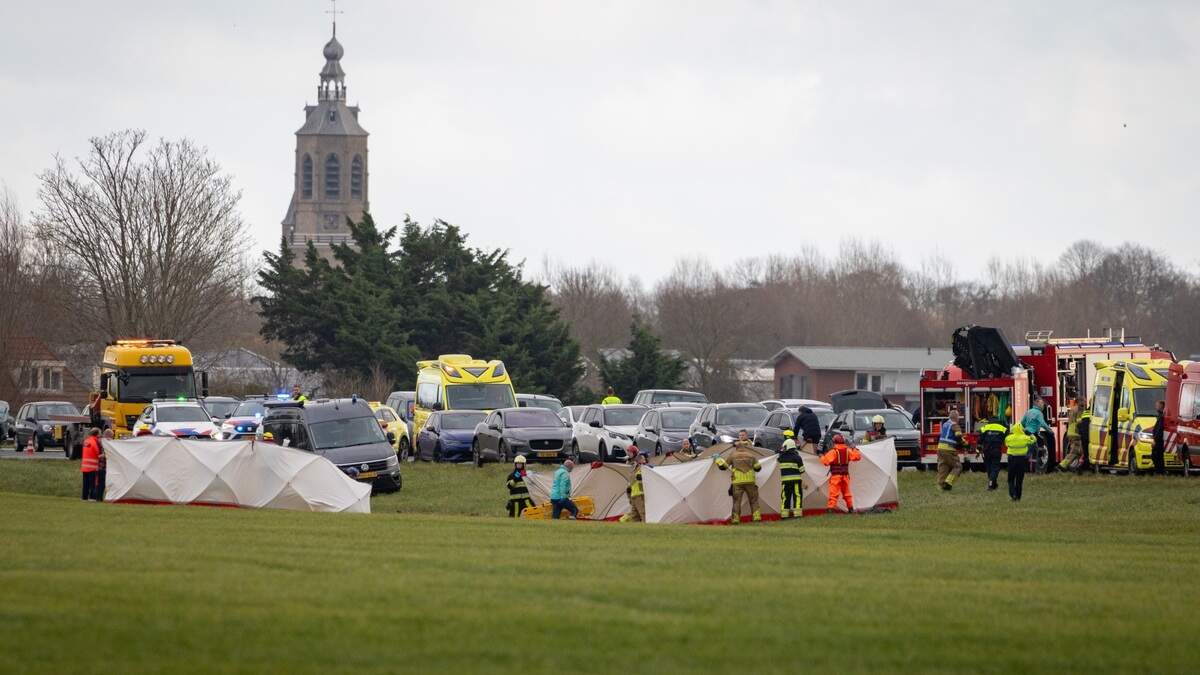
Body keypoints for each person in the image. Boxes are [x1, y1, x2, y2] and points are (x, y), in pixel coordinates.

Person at [715, 430, 762, 523]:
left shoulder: (733, 455)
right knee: (754, 500)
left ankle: (736, 519)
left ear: (736, 447)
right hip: (750, 481)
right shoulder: (751, 455)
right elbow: (758, 468)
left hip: (737, 482)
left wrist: (717, 459)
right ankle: (757, 517)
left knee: (737, 501)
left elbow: (724, 467)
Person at [821, 433, 862, 512]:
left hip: (836, 477)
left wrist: (820, 455)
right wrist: (854, 448)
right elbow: (857, 457)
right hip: (845, 476)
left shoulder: (833, 452)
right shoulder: (848, 450)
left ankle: (830, 509)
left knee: (834, 494)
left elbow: (825, 462)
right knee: (847, 493)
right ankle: (850, 509)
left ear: (834, 442)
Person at [778, 429, 805, 518]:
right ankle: (797, 514)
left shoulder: (781, 457)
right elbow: (802, 470)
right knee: (797, 496)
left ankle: (784, 515)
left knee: (785, 497)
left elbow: (779, 457)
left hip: (785, 482)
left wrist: (780, 452)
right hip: (796, 481)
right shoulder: (797, 457)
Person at [1004, 423, 1035, 501]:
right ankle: (1018, 496)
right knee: (1019, 479)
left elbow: (1006, 444)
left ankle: (1013, 494)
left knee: (1011, 478)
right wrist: (1030, 434)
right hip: (1022, 459)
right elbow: (1033, 440)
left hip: (1012, 459)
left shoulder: (1009, 438)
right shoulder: (1025, 438)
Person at [1021, 397, 1053, 471]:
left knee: (1029, 448)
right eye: (1042, 403)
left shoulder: (1028, 411)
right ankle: (1040, 460)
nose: (1043, 405)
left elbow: (1022, 423)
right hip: (1033, 433)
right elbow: (1043, 424)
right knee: (1041, 445)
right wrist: (1050, 431)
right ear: (1037, 403)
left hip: (1026, 432)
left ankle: (1028, 463)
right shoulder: (1039, 413)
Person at [936, 410, 964, 491]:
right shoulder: (955, 425)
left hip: (940, 449)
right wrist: (964, 443)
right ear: (956, 417)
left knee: (944, 467)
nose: (958, 419)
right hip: (949, 449)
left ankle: (941, 485)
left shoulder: (945, 424)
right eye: (958, 417)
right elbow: (958, 435)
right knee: (957, 466)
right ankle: (948, 482)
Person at [977, 416, 1007, 490]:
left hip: (986, 450)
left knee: (989, 467)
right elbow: (1006, 439)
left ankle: (993, 484)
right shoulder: (1002, 428)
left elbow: (980, 439)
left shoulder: (985, 427)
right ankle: (991, 484)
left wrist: (978, 449)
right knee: (995, 467)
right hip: (996, 450)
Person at [1059, 399, 1086, 473]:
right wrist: (1086, 419)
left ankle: (1077, 467)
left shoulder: (1073, 409)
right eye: (1083, 403)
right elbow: (1078, 420)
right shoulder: (1079, 409)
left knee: (1078, 451)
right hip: (1075, 432)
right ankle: (1063, 465)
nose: (1084, 405)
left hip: (1071, 431)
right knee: (1075, 451)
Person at [621, 452, 649, 522]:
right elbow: (632, 482)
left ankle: (646, 528)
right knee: (634, 515)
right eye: (642, 459)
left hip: (640, 495)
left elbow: (645, 479)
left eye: (643, 459)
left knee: (642, 514)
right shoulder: (635, 469)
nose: (644, 460)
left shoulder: (645, 468)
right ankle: (636, 530)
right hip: (634, 495)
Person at [80, 428, 102, 501]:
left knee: (85, 484)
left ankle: (84, 497)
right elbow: (97, 453)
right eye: (100, 433)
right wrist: (104, 455)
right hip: (92, 467)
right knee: (92, 484)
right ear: (97, 434)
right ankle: (92, 497)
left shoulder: (86, 441)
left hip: (84, 466)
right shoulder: (94, 442)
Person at [95, 428, 113, 501]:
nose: (112, 438)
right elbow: (103, 454)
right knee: (101, 483)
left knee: (99, 483)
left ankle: (98, 497)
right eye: (112, 436)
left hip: (99, 466)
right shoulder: (104, 443)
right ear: (108, 435)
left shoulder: (99, 441)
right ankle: (98, 498)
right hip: (102, 466)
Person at [1151, 399, 1166, 475]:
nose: (1155, 406)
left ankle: (1159, 472)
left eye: (1157, 405)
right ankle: (1159, 472)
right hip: (1158, 440)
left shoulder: (1162, 417)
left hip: (1159, 441)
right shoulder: (1160, 416)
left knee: (1156, 456)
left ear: (1161, 406)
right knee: (1157, 456)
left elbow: (1159, 429)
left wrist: (1155, 439)